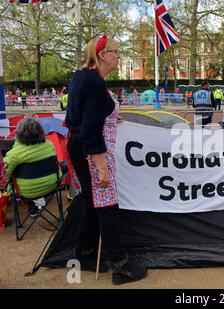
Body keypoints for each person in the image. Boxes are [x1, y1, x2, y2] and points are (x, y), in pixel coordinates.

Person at [65, 34, 147, 285]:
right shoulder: (94, 83)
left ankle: (85, 253)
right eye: (115, 51)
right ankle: (120, 265)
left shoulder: (82, 77)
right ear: (102, 55)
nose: (118, 55)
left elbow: (81, 117)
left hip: (81, 148)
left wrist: (112, 118)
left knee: (92, 201)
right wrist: (101, 168)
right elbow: (89, 130)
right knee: (106, 204)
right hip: (93, 152)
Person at [3, 117, 61, 217]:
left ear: (19, 134)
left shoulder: (14, 154)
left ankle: (32, 207)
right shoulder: (50, 145)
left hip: (25, 193)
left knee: (13, 177)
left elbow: (3, 176)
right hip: (52, 186)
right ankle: (34, 207)